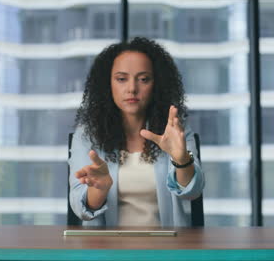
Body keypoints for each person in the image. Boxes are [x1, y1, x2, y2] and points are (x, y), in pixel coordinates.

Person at [68, 37, 204, 227]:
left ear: (157, 85)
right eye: (122, 79)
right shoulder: (87, 135)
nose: (132, 88)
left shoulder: (174, 130)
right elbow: (79, 204)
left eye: (143, 79)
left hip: (167, 251)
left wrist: (182, 160)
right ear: (108, 85)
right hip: (107, 253)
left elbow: (192, 191)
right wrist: (99, 189)